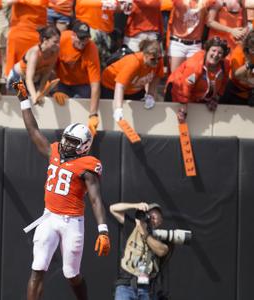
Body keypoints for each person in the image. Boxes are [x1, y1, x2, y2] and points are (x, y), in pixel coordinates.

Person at [13, 81, 111, 300]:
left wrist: (103, 230)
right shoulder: (54, 151)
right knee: (37, 269)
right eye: (66, 138)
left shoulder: (88, 165)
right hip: (49, 217)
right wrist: (23, 100)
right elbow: (33, 130)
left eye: (73, 141)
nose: (66, 144)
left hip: (72, 222)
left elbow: (95, 200)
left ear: (84, 145)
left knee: (71, 273)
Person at [109, 202, 169, 300]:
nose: (152, 218)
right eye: (150, 215)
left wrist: (145, 234)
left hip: (146, 289)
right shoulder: (133, 227)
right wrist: (135, 206)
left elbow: (162, 251)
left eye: (155, 217)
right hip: (125, 285)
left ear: (160, 221)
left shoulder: (160, 237)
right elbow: (113, 208)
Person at [53, 21, 102, 136]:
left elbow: (95, 84)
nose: (83, 42)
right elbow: (50, 67)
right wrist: (54, 89)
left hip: (82, 85)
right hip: (62, 82)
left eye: (86, 38)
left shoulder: (91, 48)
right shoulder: (62, 39)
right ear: (73, 35)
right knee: (58, 105)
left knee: (81, 108)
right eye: (80, 38)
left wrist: (93, 115)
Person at [165, 37, 230, 123]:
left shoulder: (225, 65)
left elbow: (224, 81)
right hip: (177, 89)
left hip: (197, 95)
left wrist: (216, 97)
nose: (216, 55)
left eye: (220, 53)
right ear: (207, 50)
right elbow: (185, 86)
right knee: (176, 120)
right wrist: (183, 106)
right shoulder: (195, 65)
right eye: (213, 50)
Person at [100, 39, 164, 123]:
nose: (156, 62)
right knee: (113, 114)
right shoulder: (134, 62)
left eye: (158, 58)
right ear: (145, 54)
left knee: (141, 110)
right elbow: (120, 85)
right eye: (153, 59)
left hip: (134, 87)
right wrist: (118, 108)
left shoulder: (158, 61)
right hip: (111, 86)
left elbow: (156, 77)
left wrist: (150, 95)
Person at [6, 25, 60, 105]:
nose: (58, 44)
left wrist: (39, 92)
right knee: (22, 105)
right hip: (17, 79)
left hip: (35, 80)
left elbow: (46, 75)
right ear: (45, 40)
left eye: (59, 41)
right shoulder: (35, 52)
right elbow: (29, 78)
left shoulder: (55, 52)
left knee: (37, 103)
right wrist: (34, 96)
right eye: (55, 42)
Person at [168, 0, 213, 72]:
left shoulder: (205, 1)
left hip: (195, 45)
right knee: (175, 77)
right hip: (177, 43)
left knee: (192, 76)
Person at [221, 29, 254, 105]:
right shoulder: (239, 51)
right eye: (252, 47)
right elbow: (236, 75)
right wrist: (250, 64)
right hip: (234, 90)